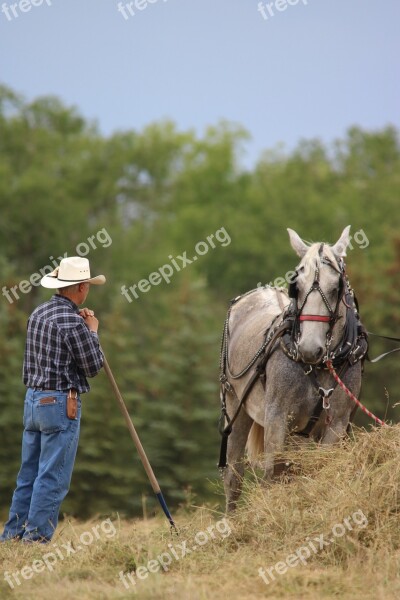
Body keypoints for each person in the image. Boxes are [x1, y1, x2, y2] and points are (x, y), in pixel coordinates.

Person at [0, 257, 106, 543]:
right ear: (82, 287)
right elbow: (93, 365)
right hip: (60, 404)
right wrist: (92, 330)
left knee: (28, 474)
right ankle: (35, 540)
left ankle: (12, 536)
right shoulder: (74, 322)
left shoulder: (38, 313)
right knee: (53, 477)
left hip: (33, 401)